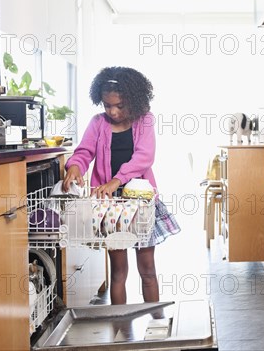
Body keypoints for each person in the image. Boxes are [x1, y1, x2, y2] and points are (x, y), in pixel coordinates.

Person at [62, 66, 180, 305]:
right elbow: (84, 151)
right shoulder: (97, 123)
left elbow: (144, 156)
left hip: (140, 203)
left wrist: (116, 179)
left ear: (133, 100)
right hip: (110, 207)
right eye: (107, 105)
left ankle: (154, 322)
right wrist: (74, 166)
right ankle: (120, 330)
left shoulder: (145, 120)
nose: (113, 111)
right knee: (118, 272)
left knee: (147, 270)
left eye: (119, 105)